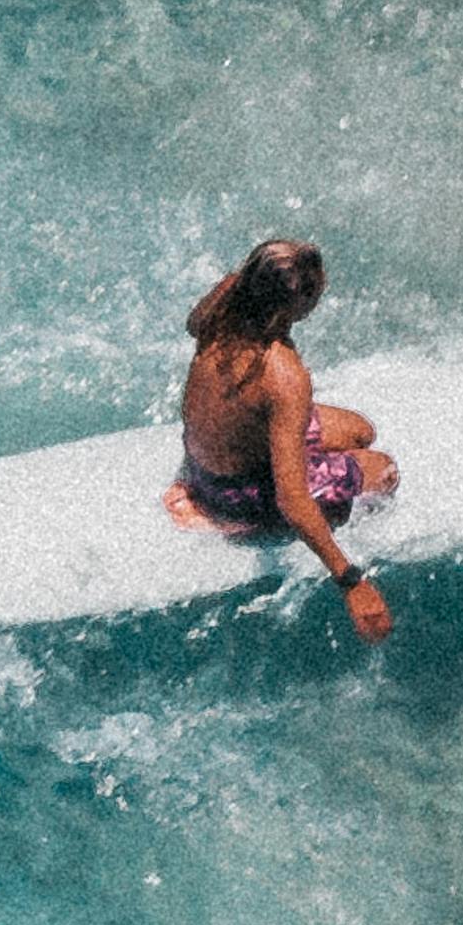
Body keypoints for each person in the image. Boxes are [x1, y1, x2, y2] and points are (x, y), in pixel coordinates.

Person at [166, 236, 399, 640]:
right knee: (383, 470)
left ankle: (217, 490)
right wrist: (352, 583)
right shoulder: (284, 375)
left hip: (207, 456)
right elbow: (292, 500)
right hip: (234, 494)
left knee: (360, 430)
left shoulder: (226, 302)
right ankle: (218, 514)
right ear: (296, 306)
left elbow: (193, 325)